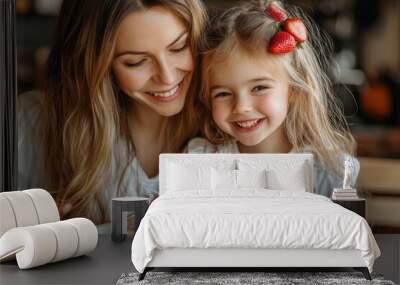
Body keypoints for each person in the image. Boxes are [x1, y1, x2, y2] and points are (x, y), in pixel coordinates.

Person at [18, 0, 207, 224]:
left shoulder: (229, 116)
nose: (167, 77)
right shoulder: (30, 123)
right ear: (97, 63)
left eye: (179, 47)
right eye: (136, 62)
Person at [188, 0, 359, 196]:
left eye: (259, 87)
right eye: (223, 93)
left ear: (294, 89)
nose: (241, 107)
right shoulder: (201, 162)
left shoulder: (328, 172)